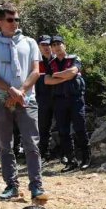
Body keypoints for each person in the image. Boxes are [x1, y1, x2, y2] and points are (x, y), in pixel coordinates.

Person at [0, 4, 48, 202]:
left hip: (27, 98)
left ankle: (37, 185)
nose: (15, 23)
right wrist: (10, 90)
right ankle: (11, 185)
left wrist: (22, 91)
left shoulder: (29, 42)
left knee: (31, 142)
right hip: (0, 99)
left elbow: (36, 70)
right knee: (5, 144)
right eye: (10, 20)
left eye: (17, 19)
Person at [44, 35, 89, 172]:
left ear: (64, 45)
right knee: (63, 132)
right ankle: (71, 161)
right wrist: (65, 77)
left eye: (59, 44)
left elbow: (73, 71)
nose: (56, 47)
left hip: (75, 99)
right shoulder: (51, 63)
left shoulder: (74, 58)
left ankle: (86, 158)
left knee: (80, 128)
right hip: (59, 100)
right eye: (53, 45)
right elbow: (47, 80)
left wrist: (57, 75)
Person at [35, 35, 55, 162]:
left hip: (59, 98)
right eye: (43, 45)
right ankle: (43, 154)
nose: (46, 47)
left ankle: (66, 155)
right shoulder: (36, 63)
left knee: (62, 127)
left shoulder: (58, 60)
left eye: (48, 44)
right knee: (43, 128)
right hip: (42, 99)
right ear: (38, 47)